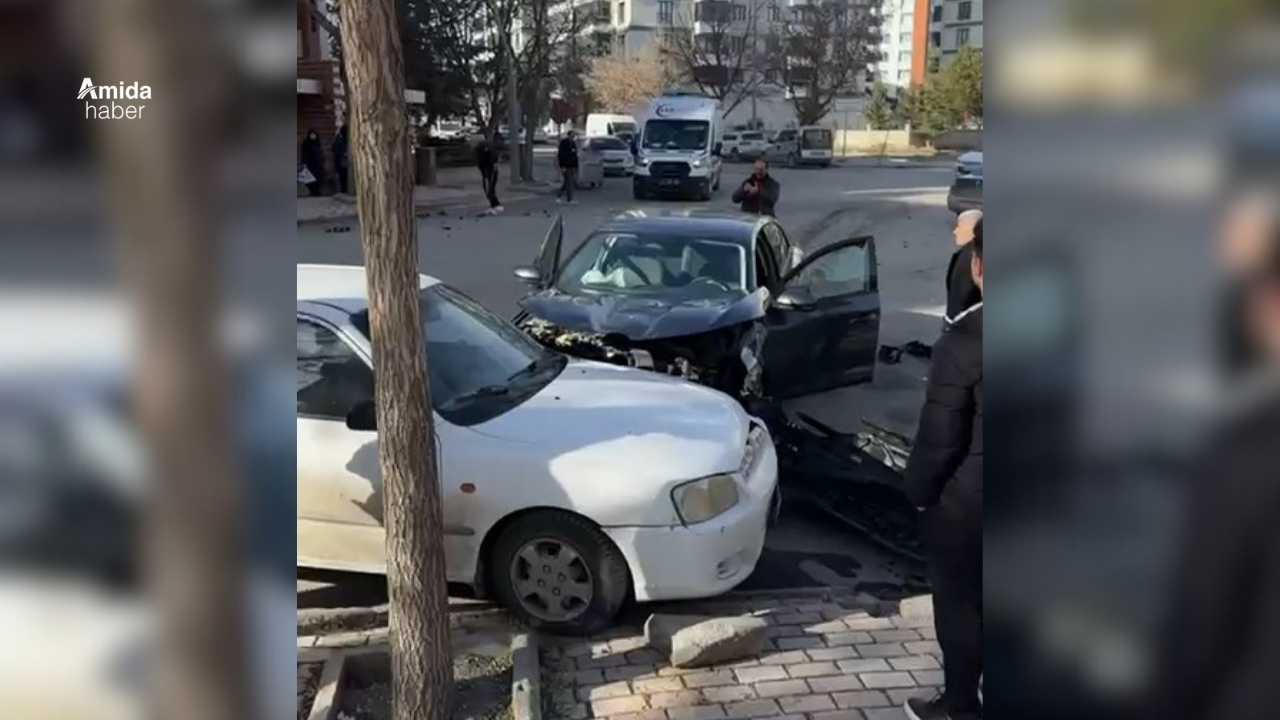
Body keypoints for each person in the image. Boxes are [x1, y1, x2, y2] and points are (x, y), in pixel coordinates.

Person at [902, 231, 983, 720]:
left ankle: (960, 707)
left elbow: (941, 438)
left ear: (978, 267)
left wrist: (918, 492)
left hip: (969, 506)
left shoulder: (964, 342)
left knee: (959, 606)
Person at [945, 211, 983, 323]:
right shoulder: (965, 253)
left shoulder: (973, 256)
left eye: (960, 227)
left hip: (967, 323)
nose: (955, 231)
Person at [474, 132, 503, 215]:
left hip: (489, 170)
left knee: (489, 188)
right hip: (488, 170)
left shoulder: (482, 148)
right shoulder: (482, 148)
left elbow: (491, 156)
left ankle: (495, 205)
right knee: (489, 188)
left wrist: (493, 163)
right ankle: (495, 205)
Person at [300, 129, 326, 197]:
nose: (313, 136)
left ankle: (317, 191)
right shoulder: (306, 144)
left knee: (318, 178)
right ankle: (312, 191)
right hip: (310, 164)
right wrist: (304, 163)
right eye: (311, 135)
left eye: (314, 135)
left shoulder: (317, 143)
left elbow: (320, 153)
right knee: (310, 178)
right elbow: (304, 154)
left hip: (318, 164)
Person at [556, 130, 579, 204]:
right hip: (566, 165)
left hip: (571, 165)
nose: (574, 136)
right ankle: (569, 198)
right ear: (569, 135)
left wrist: (576, 166)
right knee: (569, 182)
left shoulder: (573, 143)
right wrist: (562, 166)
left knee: (567, 182)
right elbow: (561, 155)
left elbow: (574, 155)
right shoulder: (564, 142)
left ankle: (560, 196)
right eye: (572, 134)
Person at [331, 125, 350, 195]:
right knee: (342, 176)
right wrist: (343, 153)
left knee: (344, 176)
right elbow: (333, 148)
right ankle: (343, 190)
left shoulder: (344, 138)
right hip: (340, 160)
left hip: (342, 160)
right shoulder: (339, 139)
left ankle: (344, 189)